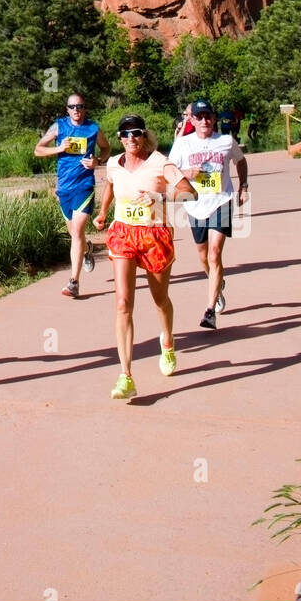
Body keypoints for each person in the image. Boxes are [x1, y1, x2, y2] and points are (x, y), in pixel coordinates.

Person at [92, 114, 196, 400]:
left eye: (136, 133)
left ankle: (168, 341)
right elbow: (111, 185)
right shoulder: (114, 163)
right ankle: (125, 375)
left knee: (160, 299)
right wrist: (103, 212)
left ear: (144, 135)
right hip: (124, 234)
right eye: (125, 134)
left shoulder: (160, 162)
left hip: (155, 235)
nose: (131, 139)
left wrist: (159, 198)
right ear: (119, 138)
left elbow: (190, 193)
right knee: (123, 302)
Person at [169, 98, 248, 329]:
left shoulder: (225, 141)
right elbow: (170, 171)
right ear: (192, 120)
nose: (204, 121)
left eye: (208, 116)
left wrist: (243, 186)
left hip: (221, 201)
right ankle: (217, 282)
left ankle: (210, 309)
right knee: (203, 256)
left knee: (214, 254)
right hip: (195, 204)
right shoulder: (183, 144)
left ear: (213, 119)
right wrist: (188, 172)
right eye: (199, 117)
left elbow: (241, 162)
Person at [34, 93, 110, 298]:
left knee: (77, 232)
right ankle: (87, 249)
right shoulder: (59, 127)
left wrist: (98, 162)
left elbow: (106, 148)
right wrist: (59, 148)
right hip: (64, 188)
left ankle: (73, 283)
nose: (76, 110)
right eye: (72, 107)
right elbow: (38, 150)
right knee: (75, 234)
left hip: (84, 185)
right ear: (67, 109)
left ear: (85, 108)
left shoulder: (93, 128)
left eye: (80, 106)